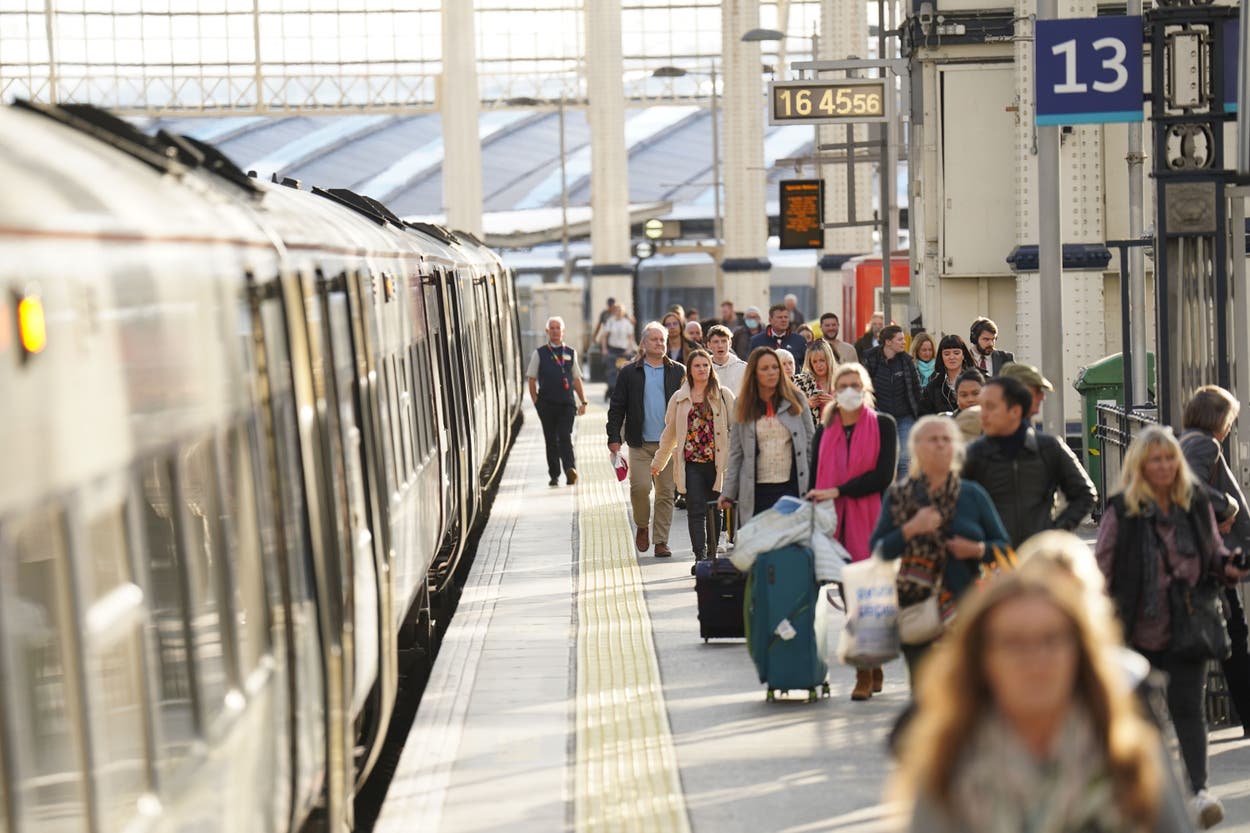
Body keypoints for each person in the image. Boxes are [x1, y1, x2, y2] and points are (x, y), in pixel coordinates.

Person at [892, 567, 1195, 833]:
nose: (1036, 659)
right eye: (1014, 643)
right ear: (983, 659)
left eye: (1052, 639)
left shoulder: (1129, 754)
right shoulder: (947, 764)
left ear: (1080, 652)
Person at [1096, 425, 1248, 828]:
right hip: (1136, 628)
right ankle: (1149, 795)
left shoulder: (1194, 503)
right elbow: (1102, 567)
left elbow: (1213, 551)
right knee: (1144, 716)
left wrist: (1230, 566)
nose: (1164, 466)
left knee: (1189, 709)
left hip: (1189, 623)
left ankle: (1199, 792)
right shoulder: (1122, 510)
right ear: (1140, 466)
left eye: (1169, 459)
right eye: (1155, 460)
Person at [869, 416, 1010, 687]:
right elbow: (879, 550)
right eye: (933, 439)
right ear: (916, 448)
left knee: (967, 693)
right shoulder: (900, 495)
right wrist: (911, 528)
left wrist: (977, 549)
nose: (940, 445)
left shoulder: (972, 494)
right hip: (916, 611)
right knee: (924, 694)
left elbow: (1004, 547)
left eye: (946, 439)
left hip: (965, 608)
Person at [806, 362, 899, 700]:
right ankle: (867, 667)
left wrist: (840, 490)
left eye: (855, 385)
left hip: (872, 520)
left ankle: (867, 668)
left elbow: (883, 477)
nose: (848, 391)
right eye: (842, 385)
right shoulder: (825, 429)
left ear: (865, 389)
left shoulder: (883, 425)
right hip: (834, 522)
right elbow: (814, 475)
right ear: (834, 389)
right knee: (850, 598)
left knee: (868, 597)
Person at [1179, 385, 1250, 739]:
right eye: (1229, 419)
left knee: (1232, 635)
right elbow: (1189, 485)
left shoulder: (1187, 440)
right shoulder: (1205, 444)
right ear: (1218, 418)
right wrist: (1226, 508)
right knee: (1233, 637)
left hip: (1205, 556)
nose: (1230, 426)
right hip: (1213, 557)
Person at [963, 375, 1096, 547]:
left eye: (990, 407)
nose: (982, 415)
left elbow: (1085, 494)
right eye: (981, 407)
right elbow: (954, 502)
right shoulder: (974, 453)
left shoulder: (1048, 448)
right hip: (993, 559)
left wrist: (1055, 534)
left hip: (1039, 558)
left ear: (1015, 411)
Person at [651, 349, 736, 570]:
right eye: (697, 366)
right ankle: (700, 557)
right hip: (691, 464)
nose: (702, 369)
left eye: (706, 365)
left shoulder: (723, 395)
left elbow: (736, 428)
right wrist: (659, 461)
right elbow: (670, 433)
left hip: (717, 464)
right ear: (689, 370)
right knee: (696, 509)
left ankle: (712, 554)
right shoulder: (679, 398)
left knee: (715, 509)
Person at [607, 322, 685, 557]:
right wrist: (613, 437)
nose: (660, 343)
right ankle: (642, 525)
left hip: (668, 445)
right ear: (643, 343)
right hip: (639, 443)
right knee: (640, 488)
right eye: (655, 339)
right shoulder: (629, 372)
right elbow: (617, 406)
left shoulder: (678, 371)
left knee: (665, 494)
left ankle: (661, 541)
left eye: (663, 340)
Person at [718, 347, 815, 522]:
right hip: (756, 492)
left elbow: (810, 445)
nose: (771, 372)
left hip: (793, 488)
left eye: (775, 367)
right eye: (765, 368)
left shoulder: (797, 400)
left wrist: (816, 484)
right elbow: (736, 453)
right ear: (754, 373)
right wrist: (728, 492)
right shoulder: (742, 404)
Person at [526, 316, 588, 487]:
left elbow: (576, 379)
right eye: (552, 328)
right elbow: (531, 379)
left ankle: (570, 469)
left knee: (565, 436)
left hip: (567, 404)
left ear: (563, 331)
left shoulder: (571, 353)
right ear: (547, 331)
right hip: (546, 405)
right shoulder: (539, 353)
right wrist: (537, 402)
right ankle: (554, 474)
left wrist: (583, 401)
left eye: (558, 328)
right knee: (551, 439)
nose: (555, 331)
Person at [862, 324, 923, 478]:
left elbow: (917, 389)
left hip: (905, 417)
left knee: (904, 460)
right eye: (900, 339)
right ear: (888, 342)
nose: (904, 342)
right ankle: (885, 490)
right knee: (883, 460)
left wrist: (918, 413)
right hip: (880, 417)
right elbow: (864, 388)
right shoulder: (871, 359)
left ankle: (903, 490)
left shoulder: (907, 361)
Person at [919, 334, 974, 415]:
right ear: (941, 357)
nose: (951, 357)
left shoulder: (976, 381)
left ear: (963, 355)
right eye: (947, 354)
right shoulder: (933, 387)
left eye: (956, 353)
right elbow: (924, 415)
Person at [792, 338, 838, 422]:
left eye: (822, 360)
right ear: (810, 363)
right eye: (815, 361)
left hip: (837, 427)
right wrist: (806, 404)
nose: (819, 365)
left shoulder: (841, 381)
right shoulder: (801, 382)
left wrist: (835, 403)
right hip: (812, 429)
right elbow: (789, 410)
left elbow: (853, 408)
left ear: (829, 360)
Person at [599, 302, 636, 402]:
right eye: (617, 310)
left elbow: (630, 338)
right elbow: (604, 336)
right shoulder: (610, 321)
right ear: (615, 311)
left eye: (620, 310)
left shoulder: (627, 323)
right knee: (611, 371)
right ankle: (611, 391)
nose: (619, 312)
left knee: (622, 371)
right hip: (613, 350)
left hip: (623, 351)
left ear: (623, 312)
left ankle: (619, 391)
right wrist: (604, 349)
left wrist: (629, 349)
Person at [705, 324, 747, 395]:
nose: (720, 346)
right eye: (716, 342)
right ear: (709, 345)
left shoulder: (743, 368)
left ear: (730, 343)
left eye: (724, 341)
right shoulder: (703, 368)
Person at [950, 368, 986, 444]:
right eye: (964, 395)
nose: (970, 399)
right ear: (956, 398)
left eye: (976, 393)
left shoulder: (997, 423)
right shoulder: (949, 426)